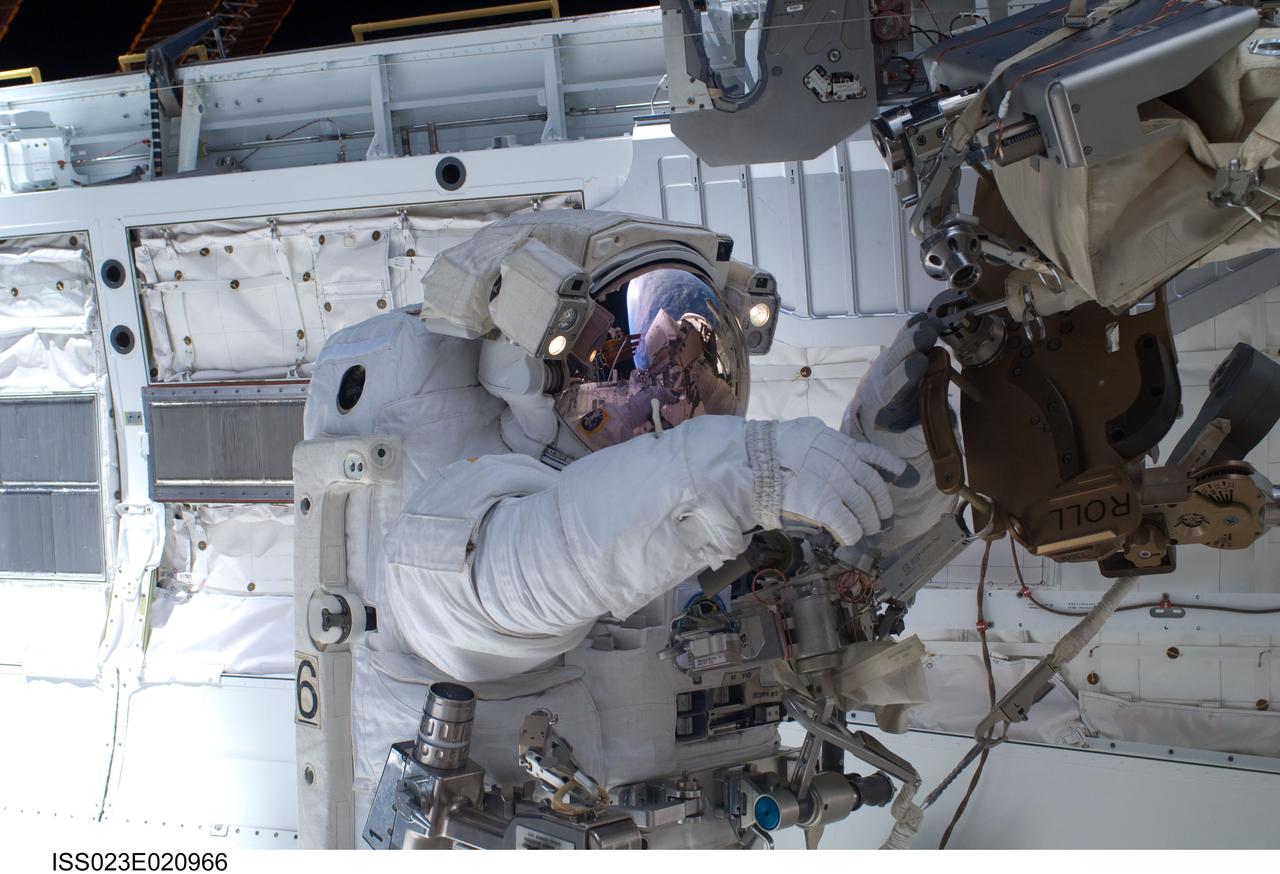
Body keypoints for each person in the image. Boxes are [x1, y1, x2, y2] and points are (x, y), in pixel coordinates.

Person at [301, 210, 950, 847]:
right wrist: (730, 469)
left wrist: (907, 449)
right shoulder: (460, 520)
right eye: (634, 377)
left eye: (702, 367)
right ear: (528, 377)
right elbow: (518, 571)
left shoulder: (671, 510)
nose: (672, 401)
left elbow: (832, 574)